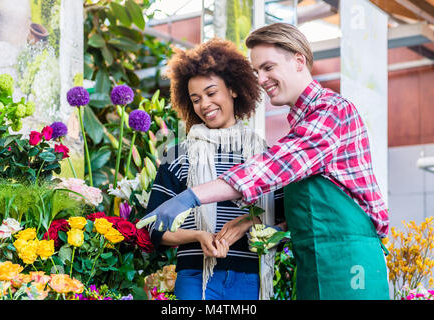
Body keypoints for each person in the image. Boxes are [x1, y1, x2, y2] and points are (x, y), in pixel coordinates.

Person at [138, 22, 390, 300]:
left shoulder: (331, 112)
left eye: (268, 67)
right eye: (257, 71)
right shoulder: (299, 125)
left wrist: (192, 197)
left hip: (349, 263)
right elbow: (296, 212)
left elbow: (270, 168)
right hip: (316, 262)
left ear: (298, 61)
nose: (261, 78)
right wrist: (250, 223)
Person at [143, 38, 284, 300]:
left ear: (233, 89)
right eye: (196, 99)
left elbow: (285, 219)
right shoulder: (178, 156)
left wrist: (248, 222)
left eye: (211, 93)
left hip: (248, 278)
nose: (204, 104)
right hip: (195, 278)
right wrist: (198, 235)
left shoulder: (263, 157)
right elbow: (153, 227)